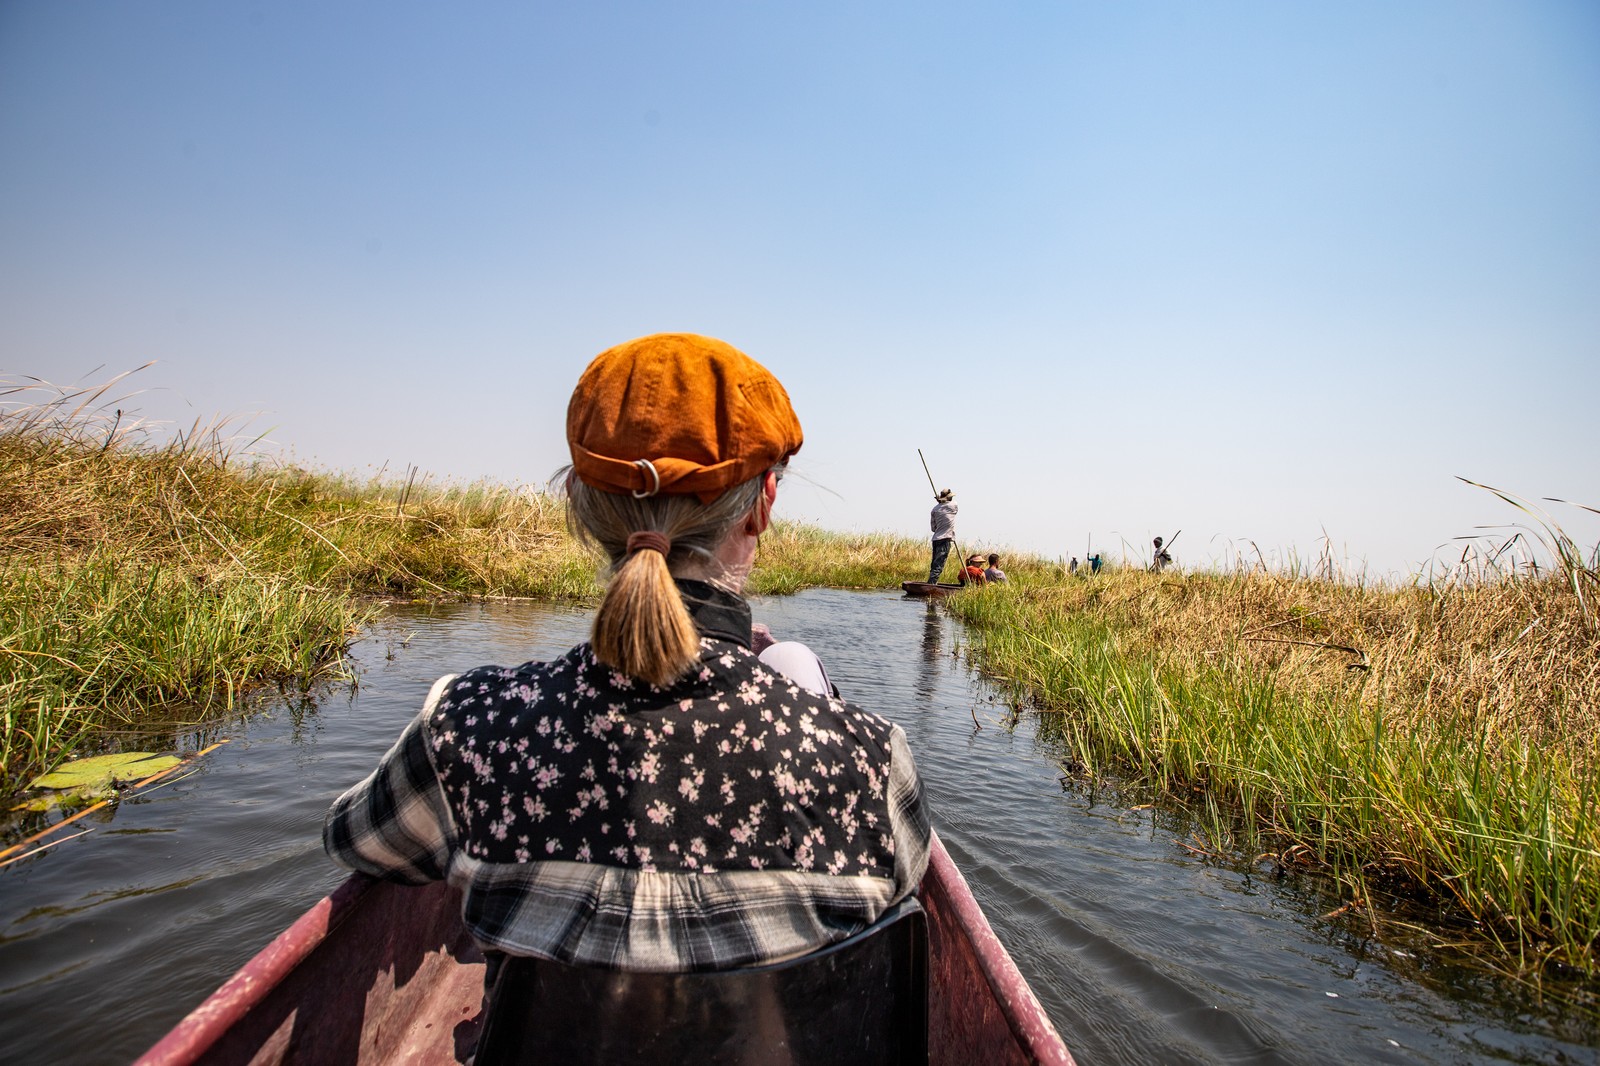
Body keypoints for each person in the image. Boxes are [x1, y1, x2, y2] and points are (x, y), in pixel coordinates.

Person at [324, 332, 930, 987]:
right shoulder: (868, 760)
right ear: (763, 505)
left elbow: (354, 838)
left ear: (582, 506)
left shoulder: (467, 726)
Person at [928, 489, 957, 583]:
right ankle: (931, 585)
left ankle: (931, 582)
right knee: (939, 564)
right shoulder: (953, 506)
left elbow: (933, 528)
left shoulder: (934, 509)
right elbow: (950, 505)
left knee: (934, 564)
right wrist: (941, 502)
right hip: (945, 538)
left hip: (936, 539)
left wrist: (940, 503)